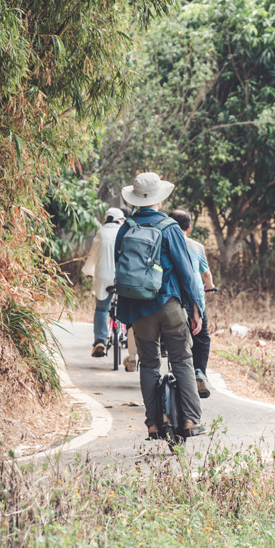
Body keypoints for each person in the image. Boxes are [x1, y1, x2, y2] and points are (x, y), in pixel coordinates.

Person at [112, 173, 206, 439]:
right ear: (160, 199)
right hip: (169, 304)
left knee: (150, 364)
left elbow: (120, 269)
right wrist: (195, 309)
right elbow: (187, 273)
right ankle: (190, 420)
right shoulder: (170, 228)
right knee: (182, 360)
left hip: (140, 309)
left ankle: (153, 423)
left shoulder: (126, 227)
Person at [168, 209, 215, 398]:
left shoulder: (165, 243)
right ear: (188, 227)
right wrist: (210, 287)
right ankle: (199, 372)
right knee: (202, 339)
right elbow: (206, 274)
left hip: (170, 300)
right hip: (194, 301)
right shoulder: (197, 247)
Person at [81, 206, 125, 357]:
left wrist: (88, 272)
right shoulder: (124, 232)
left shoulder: (101, 233)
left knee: (102, 309)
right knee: (128, 306)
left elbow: (92, 256)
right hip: (123, 278)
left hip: (103, 278)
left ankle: (100, 340)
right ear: (120, 220)